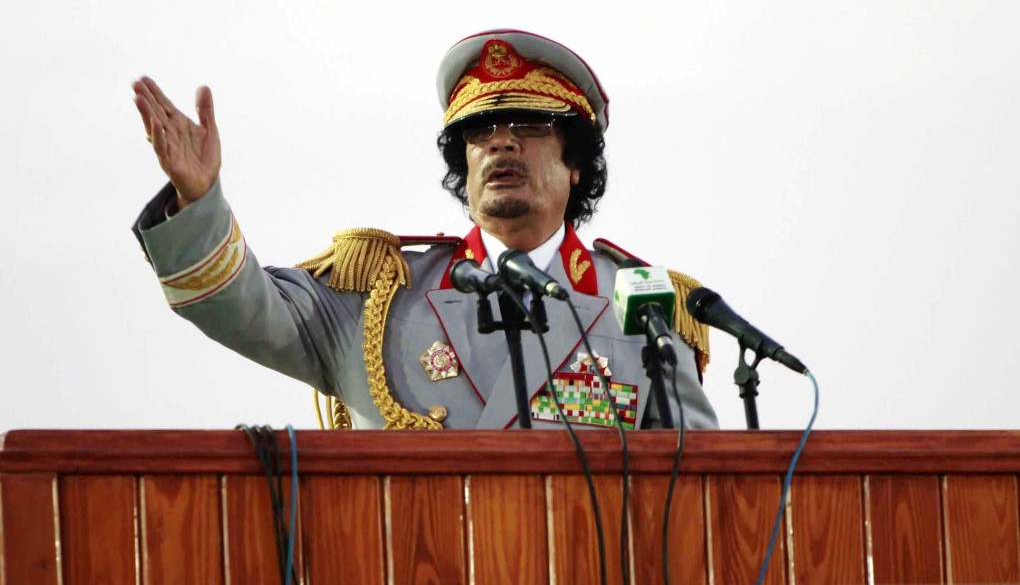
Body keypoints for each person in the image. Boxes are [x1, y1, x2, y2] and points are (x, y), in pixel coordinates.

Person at [132, 29, 718, 430]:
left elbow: (699, 494)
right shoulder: (377, 293)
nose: (500, 141)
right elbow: (235, 305)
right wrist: (199, 196)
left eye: (529, 124)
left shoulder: (643, 303)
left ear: (577, 162)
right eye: (479, 129)